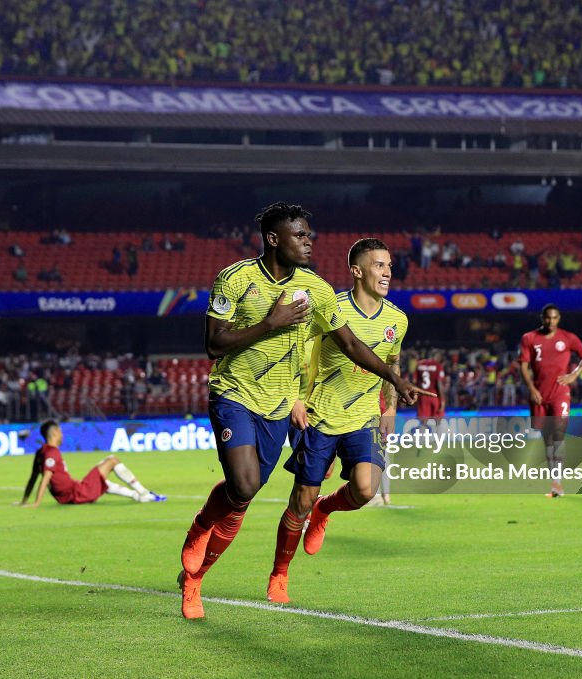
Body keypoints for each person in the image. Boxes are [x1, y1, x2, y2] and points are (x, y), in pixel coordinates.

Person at [177, 202, 427, 619]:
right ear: (274, 239)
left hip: (280, 406)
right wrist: (270, 323)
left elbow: (350, 344)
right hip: (236, 393)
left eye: (310, 235)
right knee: (243, 483)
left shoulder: (318, 289)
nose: (310, 242)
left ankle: (195, 576)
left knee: (248, 492)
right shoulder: (234, 279)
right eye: (300, 235)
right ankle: (202, 534)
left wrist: (394, 379)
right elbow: (214, 344)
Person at [267, 238, 408, 604]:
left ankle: (326, 510)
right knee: (301, 500)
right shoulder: (330, 310)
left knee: (365, 490)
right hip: (320, 417)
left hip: (364, 417)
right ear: (357, 271)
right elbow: (300, 352)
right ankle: (280, 572)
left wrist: (390, 408)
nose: (388, 272)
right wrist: (297, 398)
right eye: (379, 265)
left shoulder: (397, 319)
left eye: (389, 265)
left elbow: (392, 364)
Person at [518, 304, 582, 498]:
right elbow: (524, 366)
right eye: (547, 317)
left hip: (560, 392)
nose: (551, 321)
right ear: (542, 318)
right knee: (547, 438)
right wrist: (532, 389)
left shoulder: (568, 338)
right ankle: (554, 482)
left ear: (559, 319)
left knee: (559, 432)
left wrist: (574, 375)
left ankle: (558, 483)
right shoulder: (529, 338)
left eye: (554, 318)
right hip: (539, 395)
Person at [19, 420, 166, 507]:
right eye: (61, 432)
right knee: (112, 460)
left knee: (104, 481)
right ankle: (145, 493)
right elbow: (45, 477)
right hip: (76, 493)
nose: (62, 435)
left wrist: (23, 501)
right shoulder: (52, 452)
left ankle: (139, 497)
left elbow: (33, 477)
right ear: (55, 433)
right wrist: (36, 503)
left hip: (73, 492)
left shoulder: (41, 452)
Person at [414, 351, 446, 422]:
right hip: (434, 395)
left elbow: (414, 381)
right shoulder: (437, 365)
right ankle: (436, 432)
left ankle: (424, 432)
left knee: (423, 422)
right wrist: (443, 400)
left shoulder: (419, 365)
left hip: (423, 396)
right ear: (437, 357)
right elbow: (439, 384)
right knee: (437, 421)